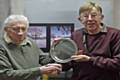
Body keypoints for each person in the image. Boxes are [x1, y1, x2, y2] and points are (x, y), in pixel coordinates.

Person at [62, 2, 120, 80]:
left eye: (93, 15)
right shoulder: (76, 35)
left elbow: (117, 63)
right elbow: (69, 62)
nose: (90, 19)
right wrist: (58, 50)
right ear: (80, 19)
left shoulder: (115, 34)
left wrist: (90, 59)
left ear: (101, 17)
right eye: (85, 16)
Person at [0, 15, 62, 80]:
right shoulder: (2, 46)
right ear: (6, 29)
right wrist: (40, 71)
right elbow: (5, 74)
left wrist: (55, 49)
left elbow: (44, 60)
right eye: (15, 29)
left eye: (23, 29)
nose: (20, 33)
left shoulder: (30, 42)